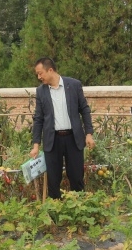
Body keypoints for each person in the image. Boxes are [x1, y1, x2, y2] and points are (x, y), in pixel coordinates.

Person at [30, 57, 96, 199]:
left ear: (50, 70)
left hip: (73, 139)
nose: (39, 77)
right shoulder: (41, 91)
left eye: (40, 73)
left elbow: (84, 110)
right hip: (53, 141)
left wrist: (89, 134)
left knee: (76, 178)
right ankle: (55, 210)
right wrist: (36, 145)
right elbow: (39, 118)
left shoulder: (74, 85)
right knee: (53, 181)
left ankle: (79, 208)